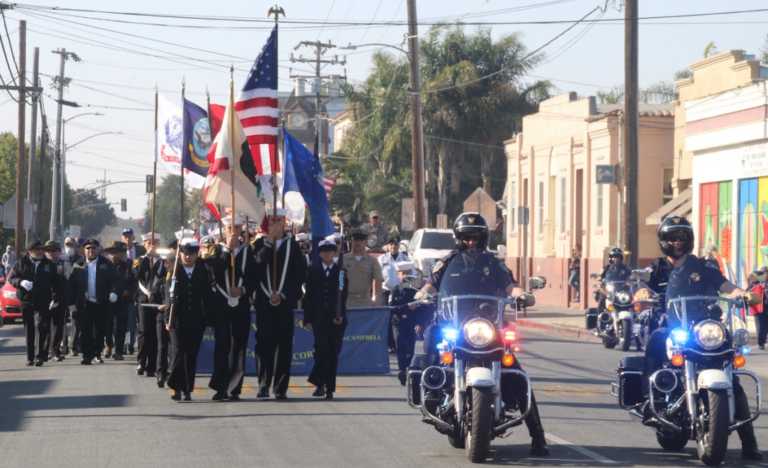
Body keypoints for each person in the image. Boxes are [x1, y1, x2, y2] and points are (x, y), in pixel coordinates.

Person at [414, 213, 549, 457]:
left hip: (488, 323)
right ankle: (433, 390)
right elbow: (431, 284)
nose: (471, 242)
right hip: (455, 321)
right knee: (432, 337)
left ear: (483, 238)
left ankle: (538, 436)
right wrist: (422, 293)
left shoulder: (494, 263)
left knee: (517, 374)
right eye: (466, 238)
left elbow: (511, 285)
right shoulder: (447, 262)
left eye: (475, 237)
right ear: (459, 238)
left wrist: (521, 294)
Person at [643, 216, 762, 461]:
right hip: (674, 326)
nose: (677, 242)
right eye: (673, 238)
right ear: (664, 241)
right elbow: (643, 286)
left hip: (706, 328)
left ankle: (749, 442)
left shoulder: (704, 267)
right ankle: (650, 398)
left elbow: (726, 286)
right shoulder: (657, 268)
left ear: (689, 240)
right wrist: (641, 291)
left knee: (732, 376)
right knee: (656, 341)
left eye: (682, 238)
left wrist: (742, 294)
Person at [253, 210, 307, 400]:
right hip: (264, 304)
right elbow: (256, 268)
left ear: (285, 223)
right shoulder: (260, 243)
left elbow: (300, 274)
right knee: (264, 346)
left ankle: (280, 387)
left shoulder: (292, 246)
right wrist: (268, 244)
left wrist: (284, 294)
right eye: (272, 221)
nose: (276, 225)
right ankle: (263, 385)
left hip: (284, 304)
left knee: (284, 346)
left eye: (279, 221)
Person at [208, 216, 256, 402]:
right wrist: (227, 250)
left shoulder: (248, 251)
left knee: (239, 347)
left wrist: (243, 289)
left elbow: (255, 276)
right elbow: (215, 271)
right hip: (222, 304)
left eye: (236, 228)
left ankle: (234, 388)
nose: (233, 232)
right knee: (222, 346)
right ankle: (220, 387)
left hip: (241, 304)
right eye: (229, 228)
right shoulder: (216, 250)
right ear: (224, 229)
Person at [163, 238, 216, 402]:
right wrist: (167, 319)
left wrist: (209, 319)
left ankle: (187, 389)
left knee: (191, 355)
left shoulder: (203, 271)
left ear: (196, 254)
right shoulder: (174, 273)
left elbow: (208, 297)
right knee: (179, 351)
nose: (188, 257)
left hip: (196, 319)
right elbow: (168, 299)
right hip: (177, 319)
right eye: (185, 254)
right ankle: (175, 386)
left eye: (191, 254)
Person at [303, 239, 348, 400]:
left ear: (334, 253)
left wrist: (340, 315)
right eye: (324, 251)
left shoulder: (341, 272)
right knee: (321, 350)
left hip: (336, 318)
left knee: (333, 352)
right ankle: (320, 384)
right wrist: (307, 318)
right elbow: (308, 296)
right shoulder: (313, 270)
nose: (327, 254)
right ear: (320, 254)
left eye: (330, 251)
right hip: (319, 318)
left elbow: (342, 295)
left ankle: (329, 387)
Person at [8, 240, 62, 366]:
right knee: (29, 329)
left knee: (42, 327)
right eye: (36, 250)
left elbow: (56, 283)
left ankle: (41, 356)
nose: (39, 252)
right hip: (26, 300)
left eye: (40, 249)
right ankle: (30, 357)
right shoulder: (21, 263)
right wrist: (21, 282)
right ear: (29, 251)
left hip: (43, 300)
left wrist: (55, 298)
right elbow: (12, 278)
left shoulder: (49, 264)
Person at [69, 239, 118, 365]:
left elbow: (115, 281)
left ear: (98, 249)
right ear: (84, 250)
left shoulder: (106, 264)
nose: (91, 251)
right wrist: (72, 304)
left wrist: (113, 292)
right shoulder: (78, 264)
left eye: (93, 248)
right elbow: (72, 285)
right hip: (85, 303)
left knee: (100, 330)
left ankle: (97, 353)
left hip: (101, 302)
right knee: (86, 330)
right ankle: (87, 355)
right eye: (88, 248)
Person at [389, 260, 431, 385]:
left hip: (412, 323)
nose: (404, 276)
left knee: (412, 348)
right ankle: (402, 370)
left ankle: (411, 370)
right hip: (399, 323)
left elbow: (424, 308)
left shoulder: (415, 290)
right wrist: (407, 306)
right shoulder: (396, 289)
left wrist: (420, 323)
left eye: (406, 273)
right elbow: (392, 308)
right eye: (402, 273)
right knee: (401, 347)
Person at [134, 234, 166, 380]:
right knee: (144, 331)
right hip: (144, 299)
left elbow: (164, 277)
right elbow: (136, 275)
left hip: (158, 300)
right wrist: (147, 257)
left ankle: (152, 366)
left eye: (155, 243)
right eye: (148, 243)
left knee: (155, 333)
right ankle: (141, 361)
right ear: (144, 244)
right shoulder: (140, 260)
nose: (152, 245)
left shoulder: (163, 261)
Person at [105, 241, 137, 361]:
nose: (115, 255)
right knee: (107, 325)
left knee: (121, 326)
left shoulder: (128, 265)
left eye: (118, 253)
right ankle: (108, 344)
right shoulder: (105, 265)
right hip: (107, 300)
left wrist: (128, 291)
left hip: (123, 300)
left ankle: (118, 350)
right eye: (113, 253)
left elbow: (134, 282)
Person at [379, 236, 411, 353]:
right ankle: (389, 345)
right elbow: (376, 276)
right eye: (391, 244)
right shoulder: (381, 259)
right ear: (388, 246)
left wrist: (406, 278)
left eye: (395, 244)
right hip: (385, 291)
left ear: (399, 245)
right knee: (386, 318)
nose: (393, 246)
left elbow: (412, 275)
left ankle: (400, 344)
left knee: (398, 318)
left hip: (400, 292)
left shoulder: (405, 258)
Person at [344, 228, 383, 307]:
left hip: (365, 301)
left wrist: (376, 297)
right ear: (351, 241)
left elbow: (377, 280)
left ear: (365, 242)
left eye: (361, 240)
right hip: (347, 301)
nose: (358, 243)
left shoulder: (372, 261)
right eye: (355, 240)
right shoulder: (343, 259)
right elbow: (340, 279)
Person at [43, 241, 68, 362]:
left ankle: (55, 351)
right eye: (48, 250)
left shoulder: (63, 265)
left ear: (59, 252)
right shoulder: (42, 264)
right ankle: (44, 352)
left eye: (54, 250)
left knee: (58, 327)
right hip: (43, 300)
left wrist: (59, 298)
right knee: (44, 327)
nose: (51, 253)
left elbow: (66, 282)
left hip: (60, 300)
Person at [62, 237, 84, 356]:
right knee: (62, 321)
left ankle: (73, 346)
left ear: (75, 246)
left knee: (76, 321)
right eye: (67, 244)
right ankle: (63, 345)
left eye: (72, 245)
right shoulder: (60, 259)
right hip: (61, 294)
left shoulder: (81, 260)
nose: (69, 247)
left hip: (75, 296)